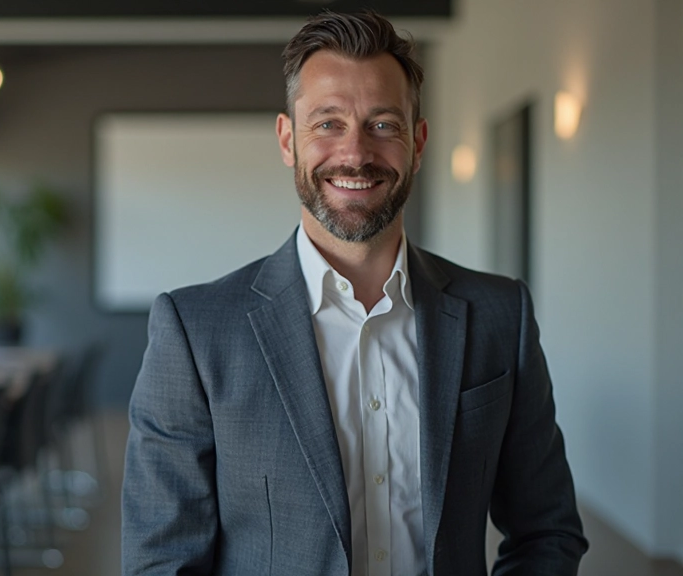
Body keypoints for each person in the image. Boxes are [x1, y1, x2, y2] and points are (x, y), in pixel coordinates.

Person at [121, 10, 588, 576]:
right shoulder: (195, 332)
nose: (356, 153)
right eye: (327, 124)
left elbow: (548, 530)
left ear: (417, 142)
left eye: (383, 124)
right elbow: (162, 563)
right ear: (288, 140)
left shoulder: (499, 315)